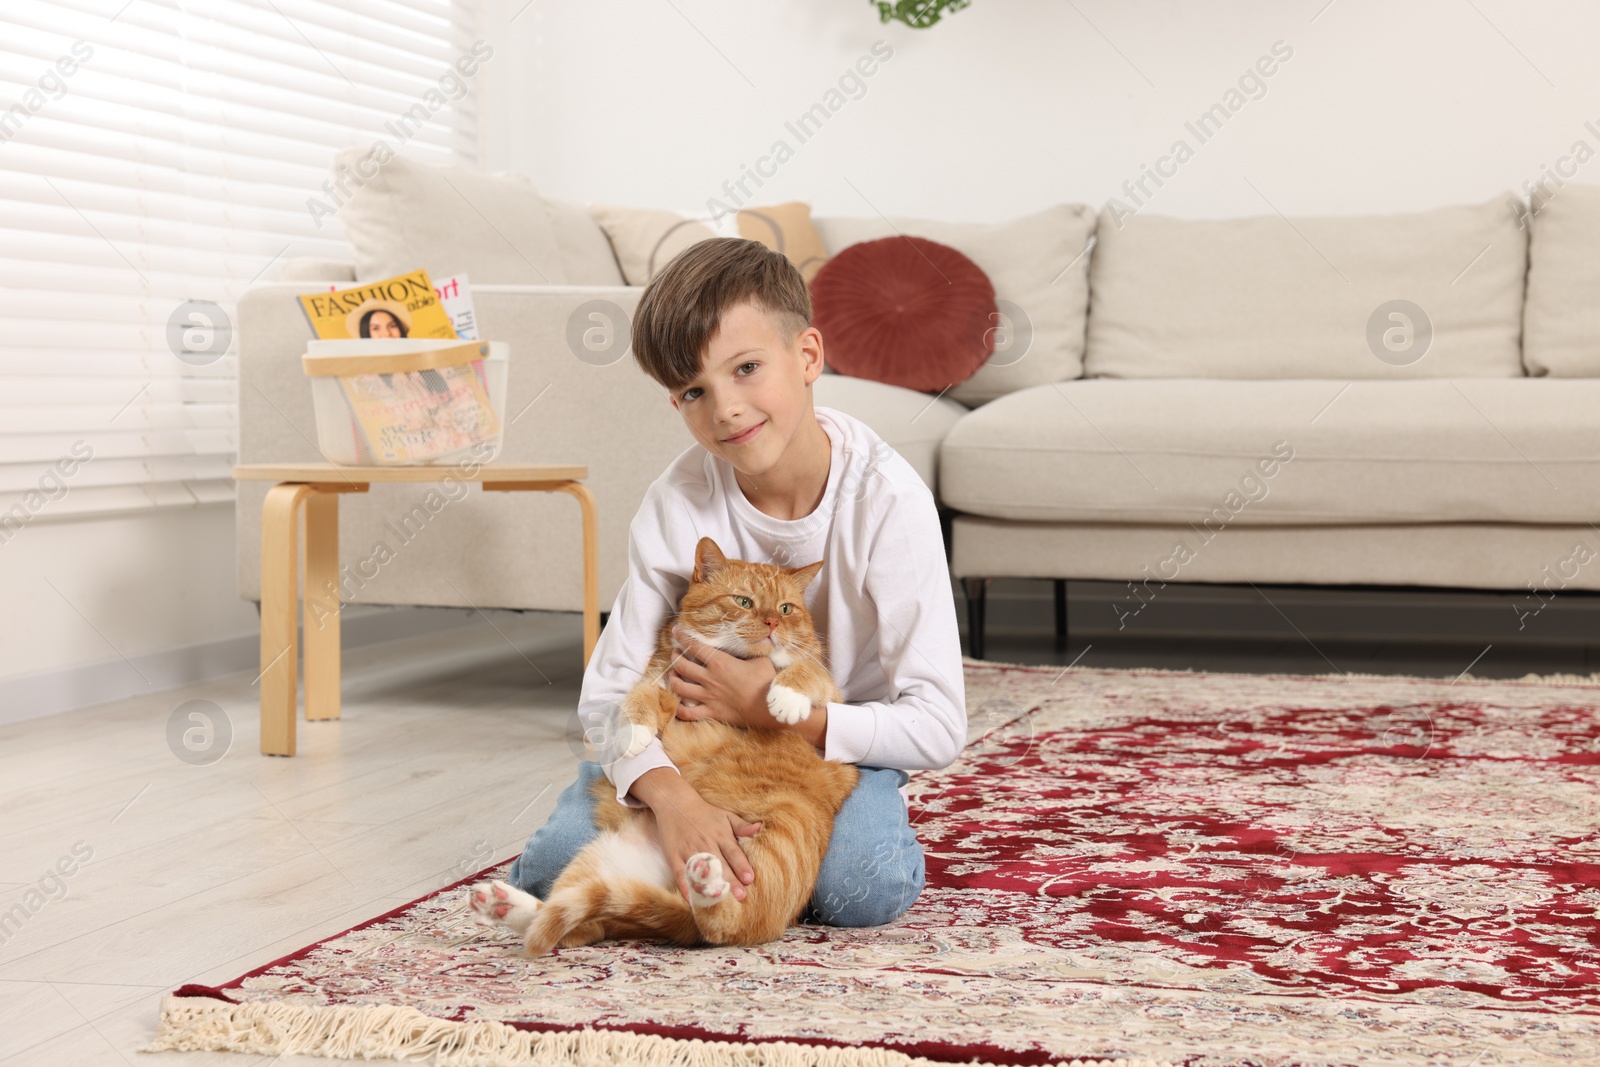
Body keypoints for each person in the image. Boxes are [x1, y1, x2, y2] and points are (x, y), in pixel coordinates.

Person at [506, 237, 966, 928]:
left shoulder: (888, 499)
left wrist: (777, 711)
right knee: (549, 869)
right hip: (688, 741)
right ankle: (695, 854)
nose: (725, 408)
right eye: (694, 390)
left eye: (746, 368)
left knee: (859, 890)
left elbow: (937, 726)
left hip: (818, 749)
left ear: (808, 356)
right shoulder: (678, 501)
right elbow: (605, 693)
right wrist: (672, 798)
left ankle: (784, 848)